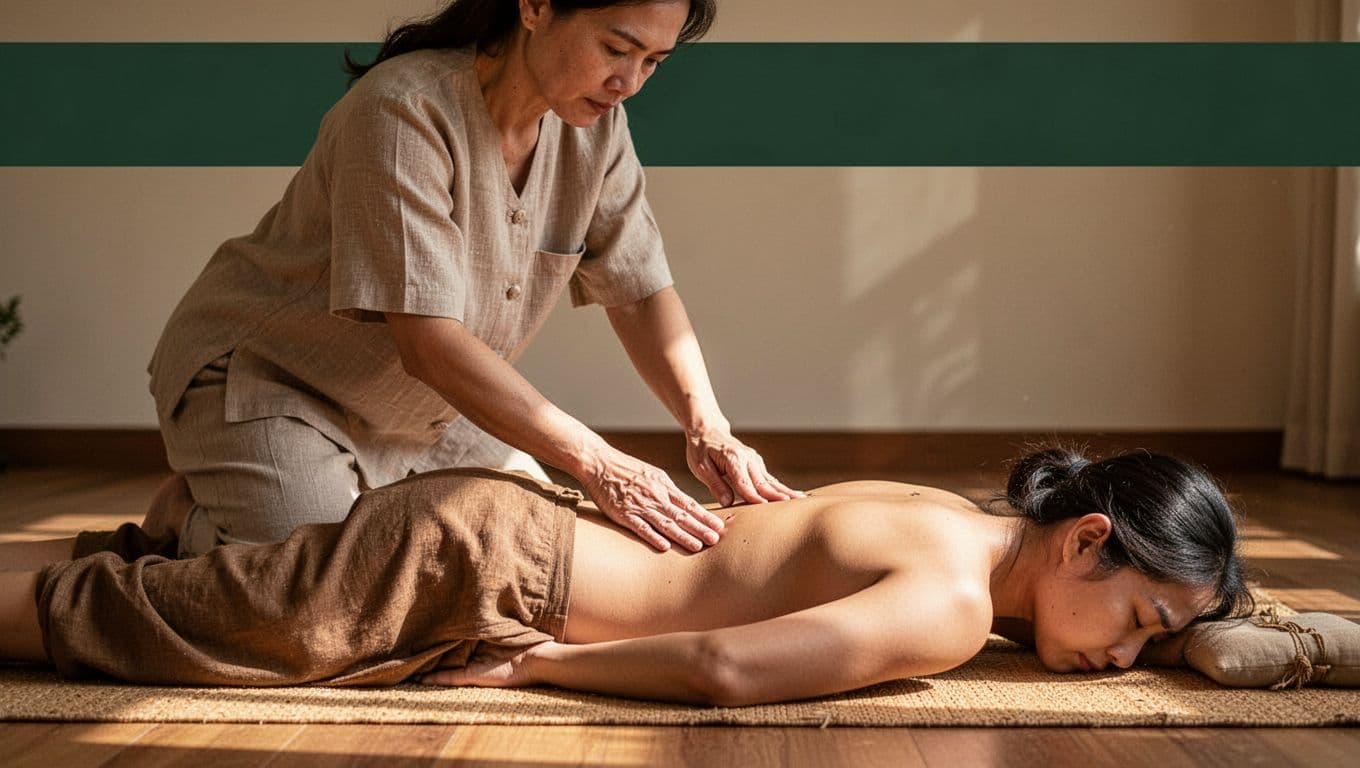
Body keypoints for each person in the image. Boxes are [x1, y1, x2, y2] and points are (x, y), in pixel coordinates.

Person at [144, 0, 799, 560]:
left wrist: (707, 426)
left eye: (653, 61)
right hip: (268, 382)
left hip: (415, 411)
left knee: (542, 548)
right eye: (616, 48)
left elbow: (639, 291)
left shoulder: (597, 131)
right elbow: (429, 343)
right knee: (331, 584)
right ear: (535, 6)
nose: (628, 82)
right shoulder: (402, 109)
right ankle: (191, 522)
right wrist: (600, 461)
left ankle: (272, 501)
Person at [0, 448, 1251, 706]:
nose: (1122, 656)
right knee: (126, 632)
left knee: (196, 595)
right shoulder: (948, 609)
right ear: (1085, 538)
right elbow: (721, 669)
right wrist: (536, 669)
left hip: (497, 525)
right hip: (485, 567)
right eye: (1139, 620)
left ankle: (177, 535)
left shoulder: (948, 517)